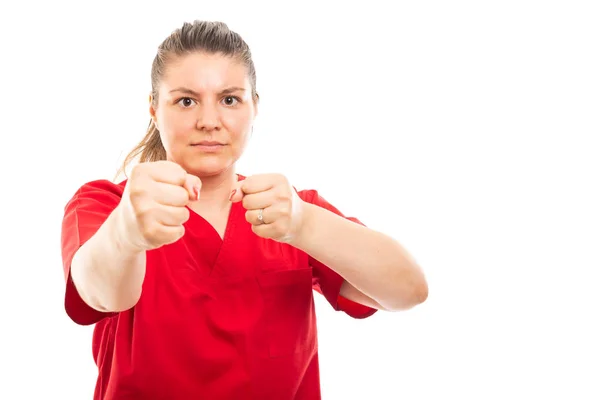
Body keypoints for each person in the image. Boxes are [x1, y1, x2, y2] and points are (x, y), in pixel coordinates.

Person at [60, 20, 428, 400]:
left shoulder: (291, 212)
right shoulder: (105, 204)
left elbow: (409, 291)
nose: (208, 121)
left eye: (230, 99)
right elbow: (98, 295)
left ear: (255, 107)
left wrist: (305, 224)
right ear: (154, 109)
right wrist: (126, 234)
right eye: (186, 101)